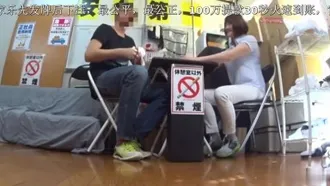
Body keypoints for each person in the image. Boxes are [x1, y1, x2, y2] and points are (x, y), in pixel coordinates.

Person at [85, 2, 168, 161]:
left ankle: (134, 136)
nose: (132, 17)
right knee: (137, 73)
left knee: (165, 92)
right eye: (129, 12)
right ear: (119, 13)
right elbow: (89, 55)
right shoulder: (105, 29)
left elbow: (134, 73)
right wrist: (122, 52)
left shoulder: (130, 40)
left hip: (125, 82)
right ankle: (123, 141)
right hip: (102, 79)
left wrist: (138, 60)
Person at [185, 14, 265, 158]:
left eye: (230, 23)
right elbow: (218, 60)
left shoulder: (249, 41)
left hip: (254, 89)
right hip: (240, 90)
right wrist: (190, 62)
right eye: (226, 24)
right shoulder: (231, 47)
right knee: (199, 96)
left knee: (221, 93)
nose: (227, 27)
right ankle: (214, 137)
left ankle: (232, 140)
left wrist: (195, 59)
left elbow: (227, 57)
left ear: (238, 24)